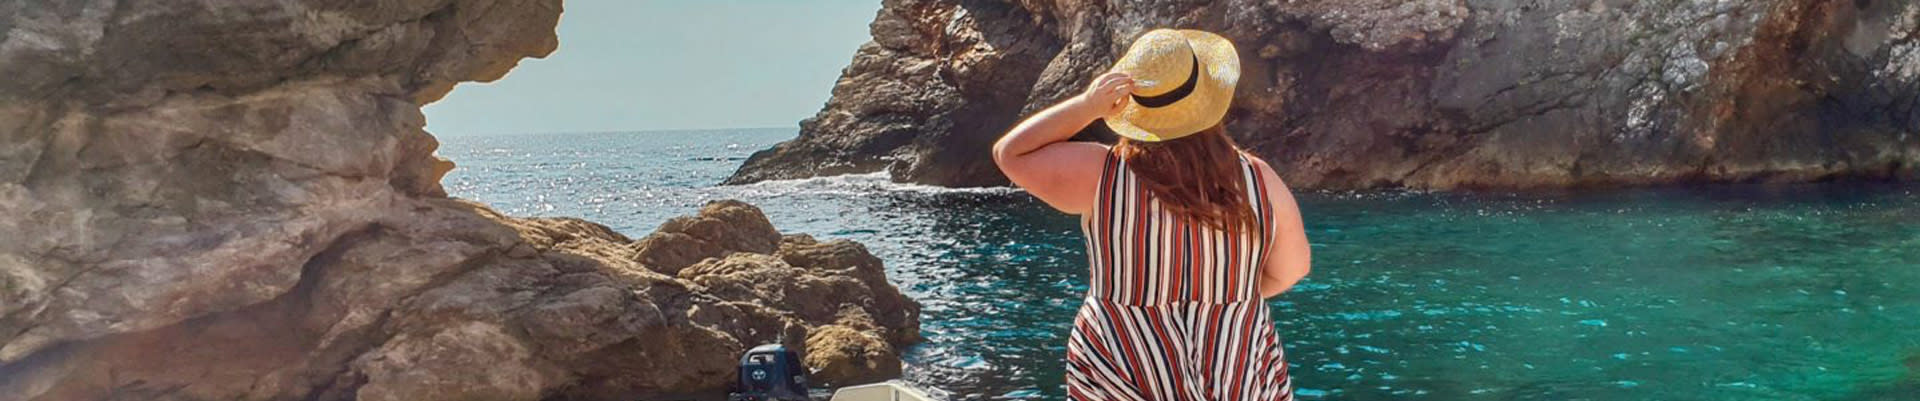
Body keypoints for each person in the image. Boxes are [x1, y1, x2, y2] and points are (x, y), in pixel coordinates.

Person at [990, 29, 1312, 400]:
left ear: (1136, 107)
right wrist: (1228, 303)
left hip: (1124, 357)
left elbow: (1011, 154)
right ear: (1209, 101)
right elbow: (1293, 268)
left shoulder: (1103, 173)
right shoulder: (1258, 178)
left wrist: (1088, 106)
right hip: (1235, 361)